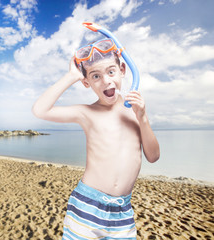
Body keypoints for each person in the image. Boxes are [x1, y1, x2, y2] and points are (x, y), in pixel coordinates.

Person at [32, 38, 160, 239]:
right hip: (88, 205)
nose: (106, 81)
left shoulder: (135, 112)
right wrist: (71, 76)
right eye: (96, 76)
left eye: (111, 72)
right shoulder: (87, 113)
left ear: (123, 70)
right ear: (86, 82)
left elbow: (153, 156)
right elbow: (40, 110)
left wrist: (143, 117)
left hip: (123, 210)